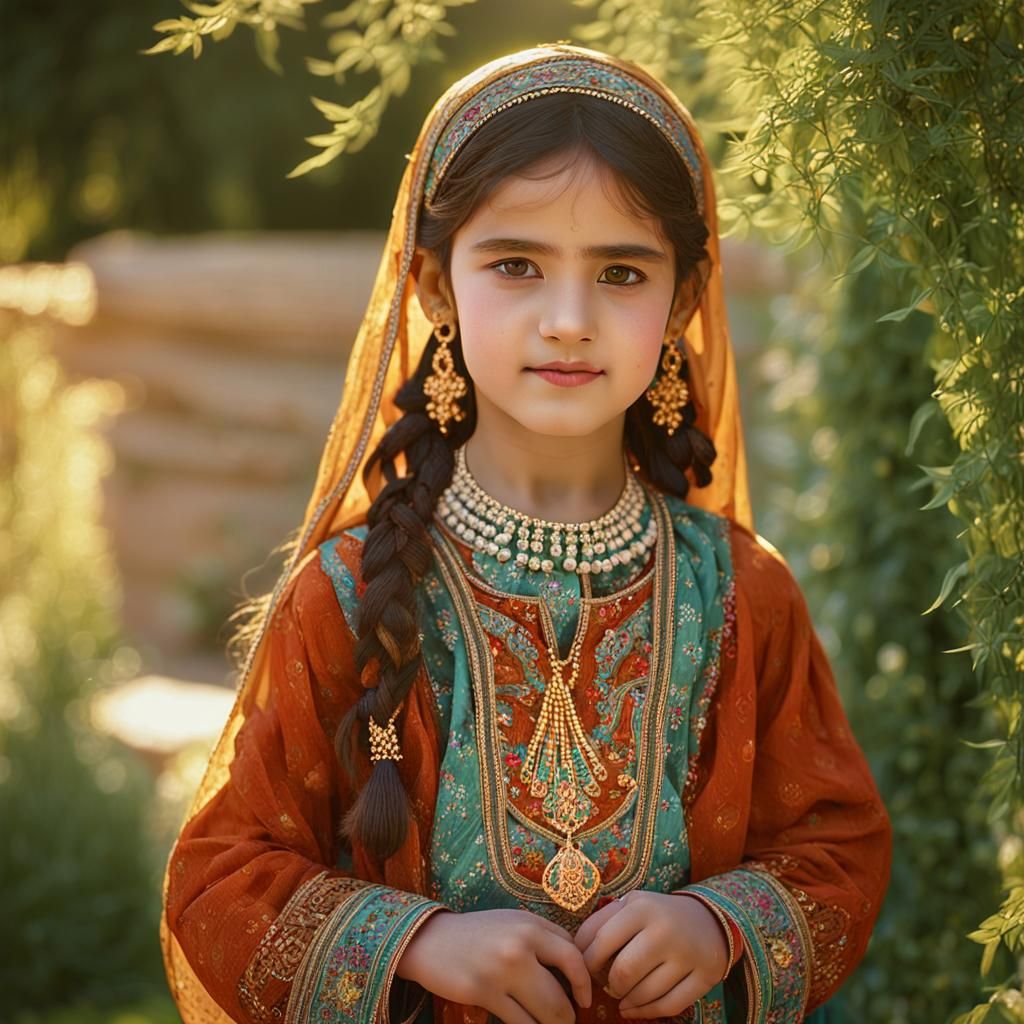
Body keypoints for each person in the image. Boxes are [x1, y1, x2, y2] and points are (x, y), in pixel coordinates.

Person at [161, 43, 891, 1024]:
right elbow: (218, 877)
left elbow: (837, 844)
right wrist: (419, 943)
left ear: (681, 300)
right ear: (434, 287)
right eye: (516, 265)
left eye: (621, 272)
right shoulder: (349, 592)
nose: (568, 319)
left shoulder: (739, 592)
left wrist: (718, 925)